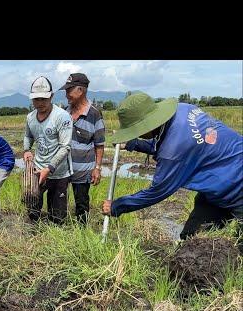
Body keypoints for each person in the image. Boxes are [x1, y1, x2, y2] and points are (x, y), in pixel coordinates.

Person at [103, 92, 243, 251]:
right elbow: (167, 145)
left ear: (148, 124)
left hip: (238, 187)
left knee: (240, 248)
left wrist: (117, 206)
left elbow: (157, 191)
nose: (137, 133)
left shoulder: (173, 151)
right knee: (191, 241)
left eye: (135, 130)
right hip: (217, 189)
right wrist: (133, 143)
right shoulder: (184, 110)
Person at [23, 76, 74, 224]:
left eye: (43, 99)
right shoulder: (30, 117)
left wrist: (49, 168)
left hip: (59, 173)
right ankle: (34, 236)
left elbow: (65, 147)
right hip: (37, 170)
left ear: (51, 96)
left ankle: (55, 239)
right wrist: (26, 150)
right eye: (36, 99)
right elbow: (28, 135)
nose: (40, 103)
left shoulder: (62, 117)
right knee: (32, 209)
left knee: (57, 216)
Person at [60, 73, 105, 224]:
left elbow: (99, 144)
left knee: (81, 203)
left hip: (83, 170)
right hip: (62, 169)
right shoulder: (64, 113)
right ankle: (59, 228)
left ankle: (81, 232)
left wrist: (97, 168)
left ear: (81, 90)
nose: (66, 94)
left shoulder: (94, 114)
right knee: (59, 201)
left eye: (69, 90)